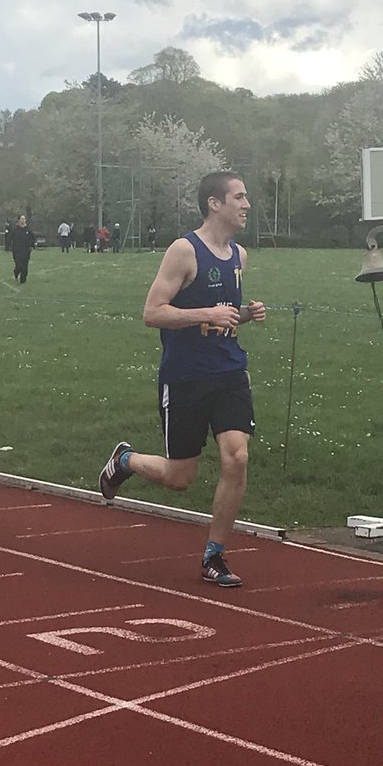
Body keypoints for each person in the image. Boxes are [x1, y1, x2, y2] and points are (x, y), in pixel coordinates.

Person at [98, 171, 266, 588]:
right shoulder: (184, 251)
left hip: (229, 371)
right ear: (214, 203)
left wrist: (244, 314)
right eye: (239, 197)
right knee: (180, 478)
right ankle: (125, 460)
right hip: (186, 378)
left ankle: (214, 555)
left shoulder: (239, 256)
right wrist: (206, 314)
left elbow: (223, 313)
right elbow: (152, 312)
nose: (247, 205)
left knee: (237, 457)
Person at [10, 214, 35, 284]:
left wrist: (33, 245)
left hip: (26, 251)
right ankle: (16, 273)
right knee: (19, 266)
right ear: (19, 220)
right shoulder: (15, 230)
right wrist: (9, 247)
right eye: (22, 219)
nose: (23, 220)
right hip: (17, 251)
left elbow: (33, 238)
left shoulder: (28, 229)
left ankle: (23, 281)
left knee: (25, 267)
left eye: (24, 219)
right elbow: (9, 238)